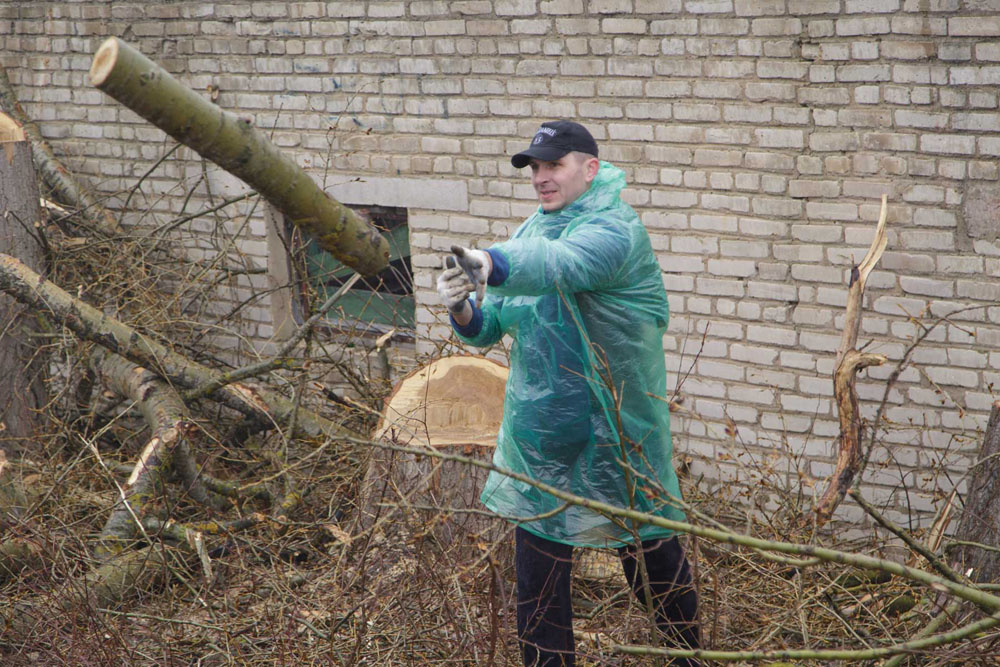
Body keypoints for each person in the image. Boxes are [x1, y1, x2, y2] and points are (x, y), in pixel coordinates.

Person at [437, 120, 700, 666]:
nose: (540, 176)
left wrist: (491, 262)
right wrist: (462, 305)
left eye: (553, 164)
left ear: (590, 168)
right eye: (534, 167)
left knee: (652, 560)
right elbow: (493, 326)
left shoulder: (615, 230)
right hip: (543, 440)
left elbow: (563, 266)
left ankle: (690, 660)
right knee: (538, 586)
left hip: (619, 436)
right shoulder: (533, 230)